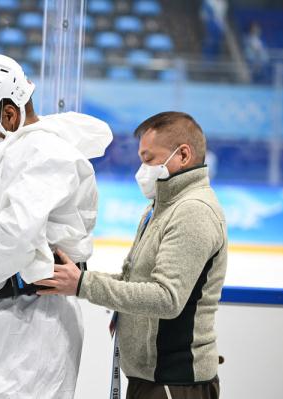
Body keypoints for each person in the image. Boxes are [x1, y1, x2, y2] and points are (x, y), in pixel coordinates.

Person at [0, 53, 113, 398]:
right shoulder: (27, 149)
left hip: (36, 321)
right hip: (19, 316)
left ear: (8, 113)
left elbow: (17, 232)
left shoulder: (46, 153)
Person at [37, 112, 227, 399]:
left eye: (149, 159)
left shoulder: (193, 211)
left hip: (174, 382)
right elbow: (136, 279)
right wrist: (79, 279)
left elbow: (167, 298)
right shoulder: (161, 206)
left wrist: (83, 284)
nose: (142, 169)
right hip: (152, 379)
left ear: (183, 155)